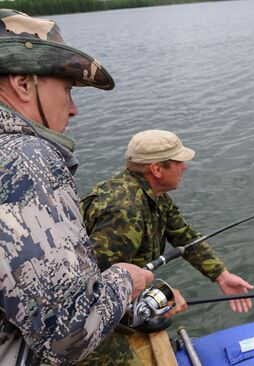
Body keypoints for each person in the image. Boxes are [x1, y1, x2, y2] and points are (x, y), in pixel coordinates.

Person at [0, 9, 155, 365]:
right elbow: (68, 336)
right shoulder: (24, 158)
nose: (73, 110)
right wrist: (123, 279)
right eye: (68, 90)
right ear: (24, 83)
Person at [79, 129, 254, 364]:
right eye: (178, 162)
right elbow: (95, 287)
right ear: (157, 169)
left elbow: (183, 236)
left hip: (111, 303)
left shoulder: (153, 194)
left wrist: (221, 275)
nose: (185, 167)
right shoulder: (124, 211)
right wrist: (162, 295)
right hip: (83, 324)